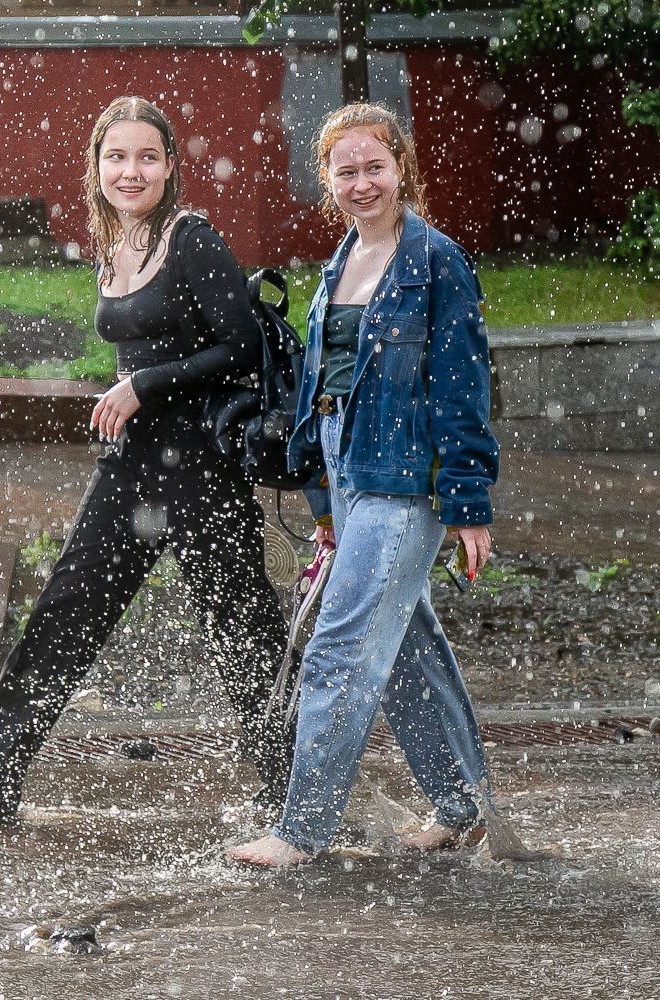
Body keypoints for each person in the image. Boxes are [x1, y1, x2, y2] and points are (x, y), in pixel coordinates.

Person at [0, 96, 291, 819]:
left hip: (202, 472)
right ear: (96, 166)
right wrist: (136, 390)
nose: (130, 170)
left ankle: (297, 792)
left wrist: (143, 384)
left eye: (146, 157)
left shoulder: (191, 239)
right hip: (131, 467)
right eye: (116, 156)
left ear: (171, 167)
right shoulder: (115, 243)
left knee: (242, 631)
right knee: (66, 610)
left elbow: (240, 346)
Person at [228, 103, 500, 868]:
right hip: (349, 474)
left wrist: (469, 504)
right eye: (344, 171)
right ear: (327, 180)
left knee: (341, 652)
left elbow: (462, 384)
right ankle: (463, 808)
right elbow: (321, 392)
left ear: (401, 168)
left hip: (405, 480)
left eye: (373, 167)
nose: (361, 183)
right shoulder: (337, 263)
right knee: (408, 648)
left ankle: (301, 831)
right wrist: (322, 503)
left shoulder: (436, 260)